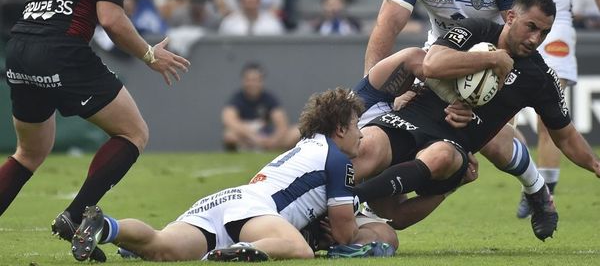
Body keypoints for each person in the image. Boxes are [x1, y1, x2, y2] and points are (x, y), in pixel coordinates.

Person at [0, 0, 190, 263]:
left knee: (29, 153)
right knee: (134, 132)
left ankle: (73, 214)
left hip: (18, 49)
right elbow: (112, 19)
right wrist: (151, 56)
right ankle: (73, 216)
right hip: (61, 52)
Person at [362, 0, 553, 239]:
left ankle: (537, 190)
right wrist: (376, 97)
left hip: (493, 57)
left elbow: (522, 32)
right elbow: (386, 28)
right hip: (441, 53)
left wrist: (474, 94)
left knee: (490, 142)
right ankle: (372, 196)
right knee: (395, 120)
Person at [351, 0, 600, 241]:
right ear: (511, 17)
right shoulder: (476, 29)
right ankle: (319, 204)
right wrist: (492, 60)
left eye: (544, 32)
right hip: (410, 120)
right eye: (531, 27)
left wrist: (595, 165)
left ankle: (351, 200)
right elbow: (432, 64)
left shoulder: (540, 78)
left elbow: (566, 136)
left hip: (453, 145)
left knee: (435, 166)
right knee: (368, 145)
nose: (535, 39)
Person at [69, 88, 397, 262]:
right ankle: (234, 254)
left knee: (160, 247)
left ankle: (106, 227)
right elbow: (343, 236)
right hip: (256, 211)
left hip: (225, 200)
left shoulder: (307, 146)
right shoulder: (338, 158)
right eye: (357, 126)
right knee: (300, 250)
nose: (362, 135)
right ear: (340, 128)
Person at [487, 0, 600, 217]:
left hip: (557, 28)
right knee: (498, 115)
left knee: (551, 115)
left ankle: (544, 195)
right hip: (511, 25)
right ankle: (532, 182)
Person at [221, 62, 298, 151]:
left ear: (261, 81)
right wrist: (252, 136)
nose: (252, 84)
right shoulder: (237, 98)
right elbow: (229, 120)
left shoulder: (269, 98)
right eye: (248, 80)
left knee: (296, 131)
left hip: (266, 137)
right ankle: (249, 149)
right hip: (246, 138)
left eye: (256, 80)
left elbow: (282, 123)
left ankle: (269, 148)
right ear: (243, 81)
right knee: (229, 135)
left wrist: (273, 139)